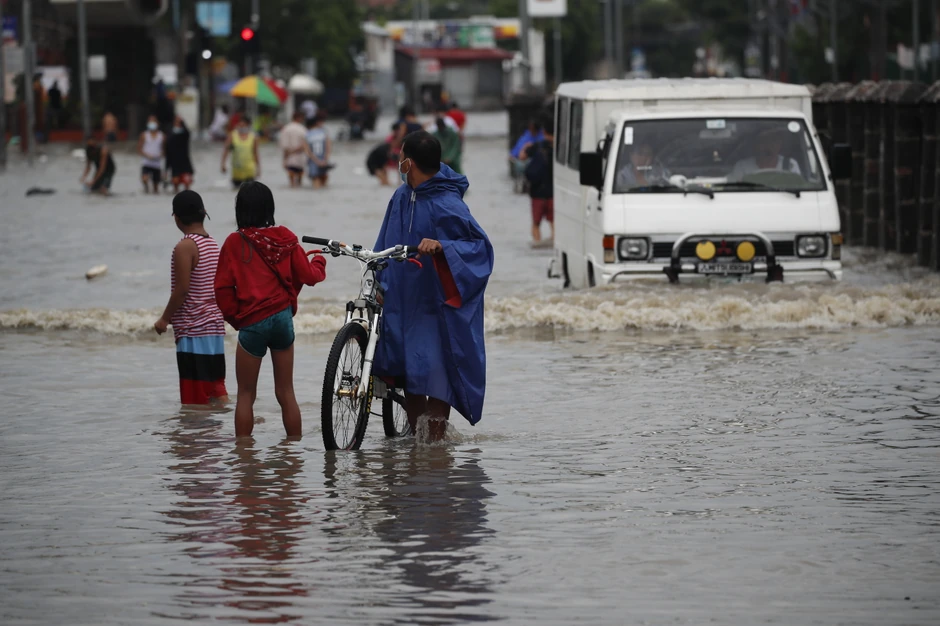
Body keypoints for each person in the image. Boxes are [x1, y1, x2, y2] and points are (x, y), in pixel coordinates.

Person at [373, 131, 494, 442]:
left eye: (400, 155)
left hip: (435, 304)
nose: (397, 160)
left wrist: (443, 246)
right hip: (403, 300)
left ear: (408, 163)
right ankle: (420, 449)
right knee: (411, 377)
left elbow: (479, 249)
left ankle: (436, 450)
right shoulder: (400, 196)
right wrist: (379, 279)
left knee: (437, 373)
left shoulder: (448, 203)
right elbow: (384, 242)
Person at [213, 181, 328, 438]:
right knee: (286, 392)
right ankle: (293, 454)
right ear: (269, 208)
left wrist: (236, 320)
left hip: (252, 322)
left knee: (245, 395)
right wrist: (319, 261)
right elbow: (309, 276)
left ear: (240, 210)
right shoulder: (286, 239)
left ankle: (244, 458)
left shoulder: (234, 242)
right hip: (282, 320)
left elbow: (222, 289)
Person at [154, 190, 228, 405]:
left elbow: (182, 289)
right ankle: (225, 433)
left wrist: (164, 319)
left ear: (176, 218)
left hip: (194, 329)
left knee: (195, 398)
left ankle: (197, 438)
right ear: (204, 213)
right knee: (215, 388)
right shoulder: (213, 243)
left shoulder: (185, 246)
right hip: (214, 328)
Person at [523, 115, 555, 244]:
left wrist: (526, 146)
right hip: (553, 193)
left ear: (543, 132)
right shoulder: (559, 148)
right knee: (554, 222)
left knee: (536, 224)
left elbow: (521, 156)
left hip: (537, 192)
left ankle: (537, 242)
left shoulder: (536, 146)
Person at [729, 128, 802, 181]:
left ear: (780, 144)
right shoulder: (742, 167)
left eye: (773, 141)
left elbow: (799, 189)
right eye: (764, 141)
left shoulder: (790, 166)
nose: (769, 146)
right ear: (757, 144)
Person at [221, 116, 260, 189]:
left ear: (248, 125)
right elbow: (226, 150)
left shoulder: (253, 137)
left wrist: (258, 168)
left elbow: (256, 153)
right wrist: (223, 164)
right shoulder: (232, 136)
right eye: (240, 125)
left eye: (243, 125)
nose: (241, 127)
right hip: (236, 171)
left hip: (249, 170)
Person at [165, 116, 195, 192]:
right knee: (175, 181)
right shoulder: (170, 133)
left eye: (179, 122)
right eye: (176, 121)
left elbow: (187, 133)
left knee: (187, 182)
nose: (178, 123)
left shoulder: (185, 133)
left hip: (184, 160)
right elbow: (167, 148)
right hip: (174, 161)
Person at [279, 111, 308, 188]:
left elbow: (284, 146)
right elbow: (305, 145)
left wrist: (285, 159)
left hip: (289, 158)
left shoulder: (286, 128)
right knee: (300, 182)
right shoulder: (303, 129)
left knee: (291, 184)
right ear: (300, 118)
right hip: (300, 157)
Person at [138, 114, 166, 194]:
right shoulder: (144, 135)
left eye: (153, 121)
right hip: (146, 162)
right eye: (150, 121)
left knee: (156, 188)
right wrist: (147, 155)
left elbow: (164, 150)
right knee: (144, 179)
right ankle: (146, 188)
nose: (152, 123)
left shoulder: (162, 136)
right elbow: (139, 148)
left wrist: (160, 155)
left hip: (157, 164)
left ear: (157, 123)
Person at [304, 112, 332, 189]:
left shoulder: (307, 134)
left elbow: (307, 151)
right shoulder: (324, 133)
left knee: (315, 180)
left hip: (313, 160)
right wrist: (325, 159)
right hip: (323, 159)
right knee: (324, 179)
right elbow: (328, 147)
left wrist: (316, 161)